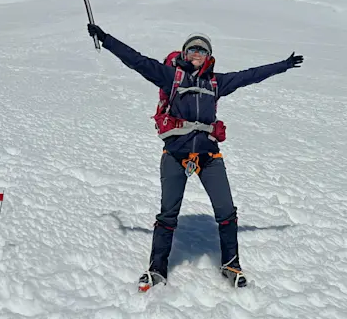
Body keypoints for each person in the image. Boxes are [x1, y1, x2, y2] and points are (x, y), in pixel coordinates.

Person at [87, 24, 303, 290]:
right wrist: (106, 39)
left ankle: (231, 264)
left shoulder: (216, 82)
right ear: (185, 53)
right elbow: (137, 61)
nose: (195, 53)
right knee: (168, 214)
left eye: (201, 49)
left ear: (209, 55)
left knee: (226, 212)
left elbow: (251, 75)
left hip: (209, 156)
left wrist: (283, 65)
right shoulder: (171, 76)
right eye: (191, 49)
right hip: (176, 155)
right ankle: (157, 269)